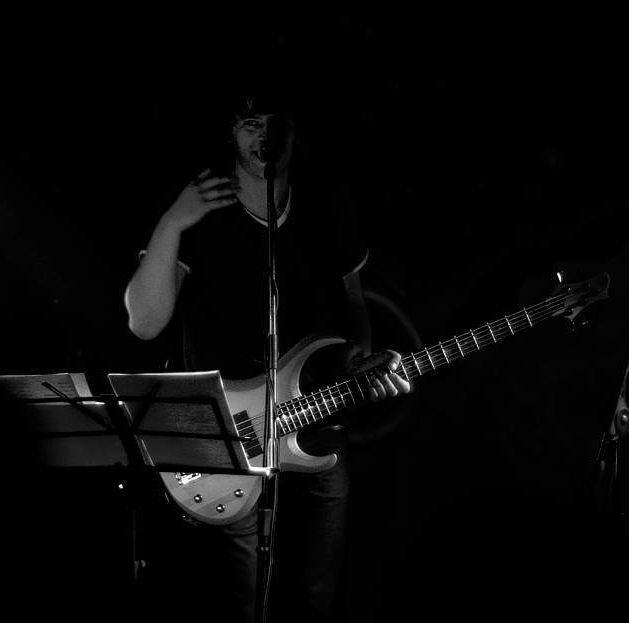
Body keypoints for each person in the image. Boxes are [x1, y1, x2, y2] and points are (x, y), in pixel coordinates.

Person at [123, 79, 412, 623]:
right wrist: (173, 222)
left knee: (312, 599)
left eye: (278, 124)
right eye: (252, 124)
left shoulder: (327, 200)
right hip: (230, 433)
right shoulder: (201, 203)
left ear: (296, 134)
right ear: (232, 133)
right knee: (235, 605)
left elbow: (354, 304)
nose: (266, 136)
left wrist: (361, 357)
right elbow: (145, 323)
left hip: (318, 418)